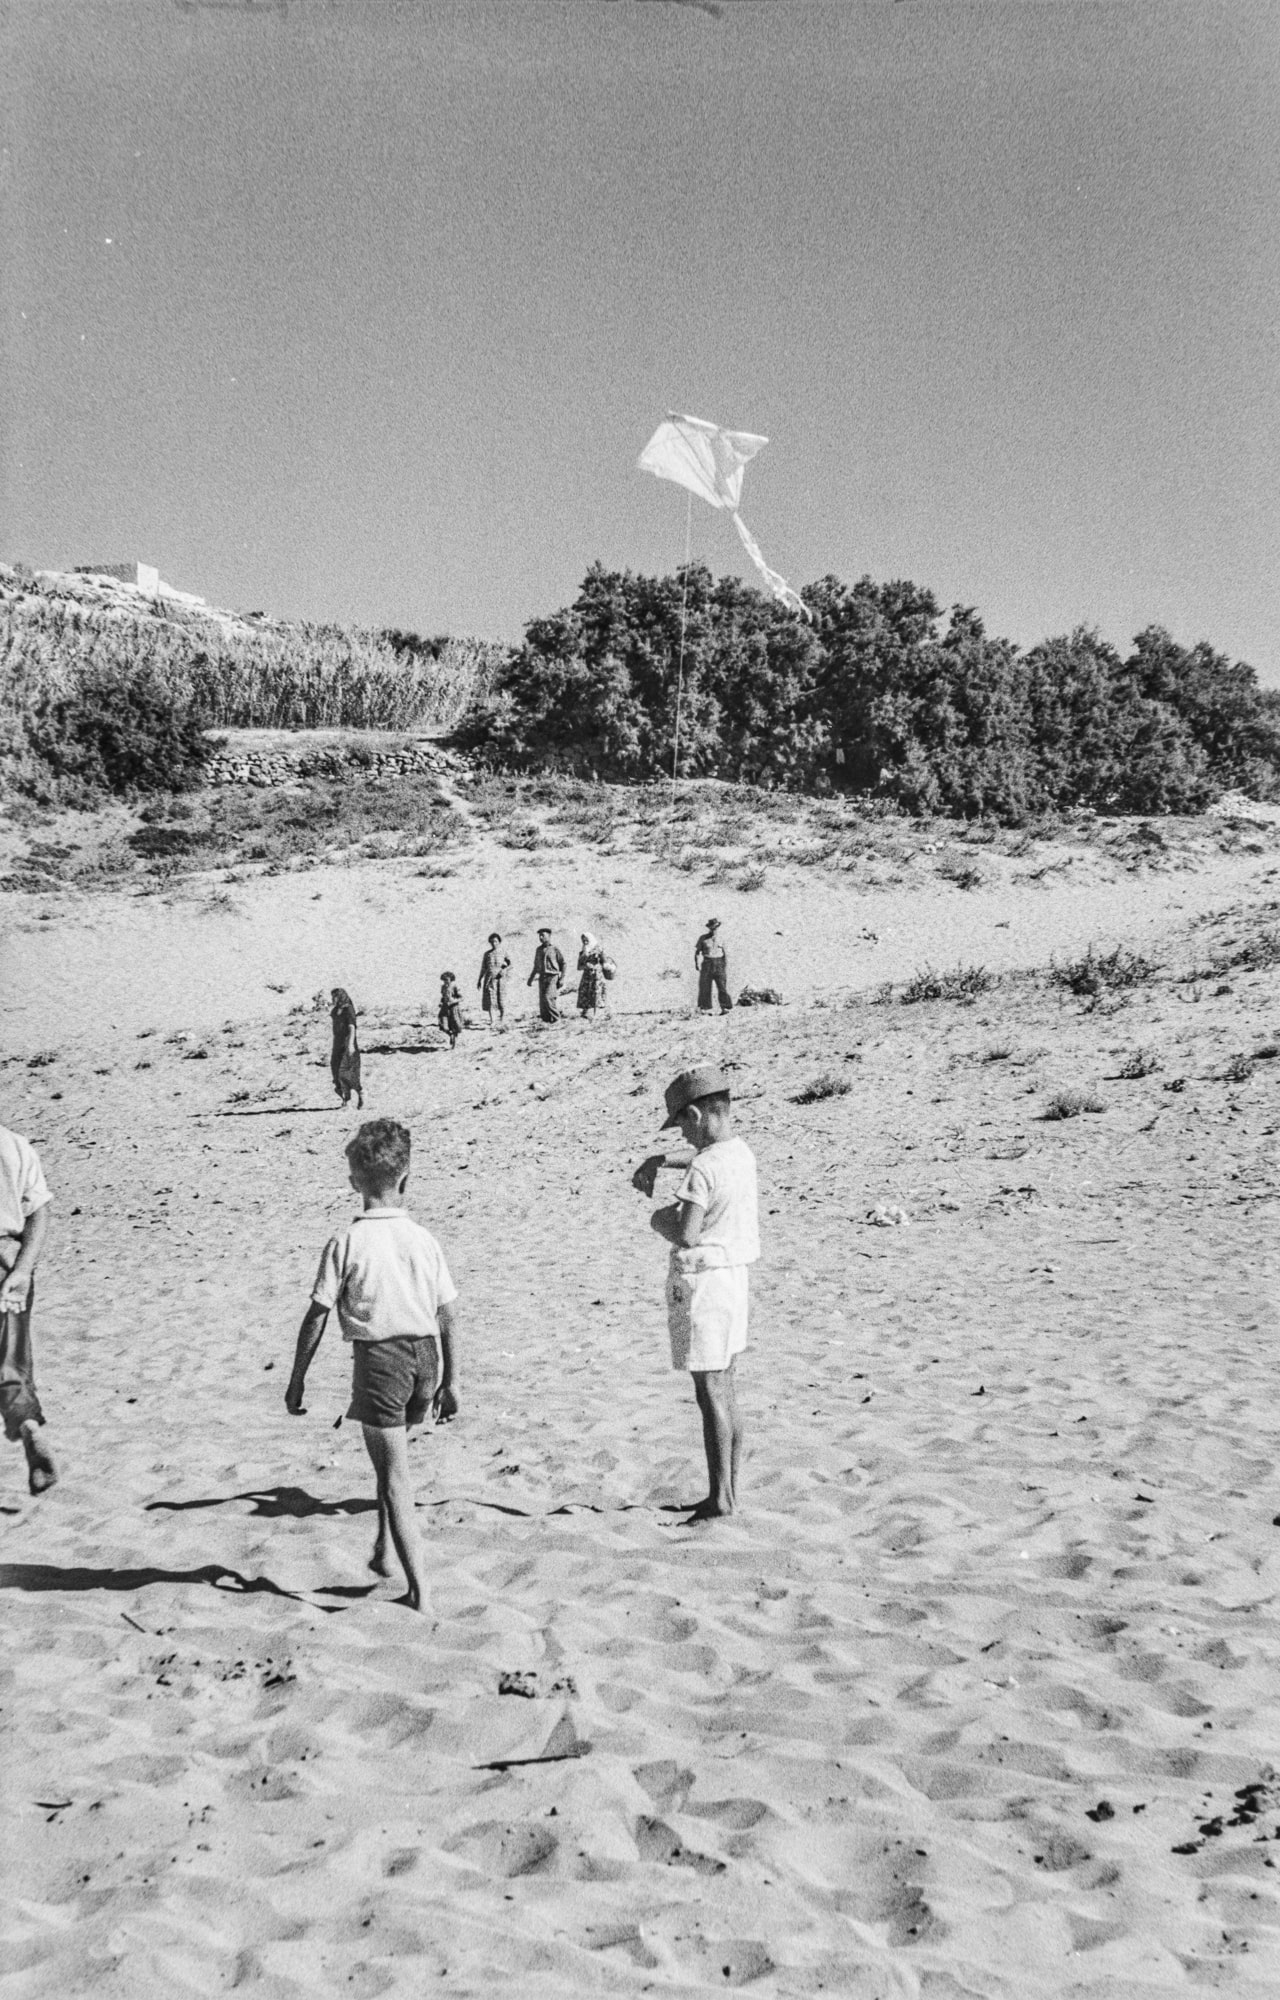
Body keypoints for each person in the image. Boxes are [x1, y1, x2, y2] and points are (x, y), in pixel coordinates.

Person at [286, 1119, 460, 1613]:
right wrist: (453, 1382)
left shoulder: (347, 1241)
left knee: (395, 1476)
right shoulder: (423, 1239)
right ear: (406, 1179)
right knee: (392, 1461)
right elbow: (449, 1313)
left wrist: (297, 1379)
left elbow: (317, 1315)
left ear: (352, 1182)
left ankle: (420, 1591)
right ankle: (385, 1545)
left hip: (380, 1361)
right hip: (426, 1357)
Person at [632, 1063, 759, 1522]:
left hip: (703, 1280)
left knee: (708, 1392)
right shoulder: (739, 1152)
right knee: (727, 1386)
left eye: (682, 1123)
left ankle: (718, 1499)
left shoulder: (705, 1168)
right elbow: (707, 1160)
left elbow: (685, 1232)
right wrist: (661, 1159)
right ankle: (730, 1491)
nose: (682, 1135)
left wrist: (656, 1218)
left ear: (696, 1114)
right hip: (735, 1278)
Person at [0, 1124, 57, 1496]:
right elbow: (39, 1213)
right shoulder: (12, 1143)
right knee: (10, 1361)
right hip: (8, 1260)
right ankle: (28, 1427)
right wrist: (21, 1270)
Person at [330, 988, 363, 1109]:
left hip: (347, 1043)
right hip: (337, 1043)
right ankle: (344, 1098)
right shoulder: (335, 1010)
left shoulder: (348, 1009)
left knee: (347, 1071)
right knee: (336, 1069)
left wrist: (350, 1045)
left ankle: (355, 1096)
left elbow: (352, 1027)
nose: (333, 999)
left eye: (335, 997)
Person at [527, 927, 566, 1024]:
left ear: (549, 936)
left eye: (542, 935)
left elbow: (563, 963)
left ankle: (557, 1019)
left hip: (552, 977)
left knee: (549, 998)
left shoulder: (554, 949)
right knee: (543, 1001)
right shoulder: (538, 950)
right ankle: (547, 1021)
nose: (540, 937)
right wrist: (530, 979)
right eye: (539, 936)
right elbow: (536, 966)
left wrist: (562, 978)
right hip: (542, 978)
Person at [694, 918, 732, 1015]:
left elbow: (726, 953)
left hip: (719, 963)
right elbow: (697, 952)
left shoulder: (722, 938)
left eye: (715, 928)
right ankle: (705, 1008)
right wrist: (697, 964)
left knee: (722, 985)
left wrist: (725, 965)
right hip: (707, 962)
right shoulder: (703, 938)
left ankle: (725, 1007)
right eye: (712, 928)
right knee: (705, 986)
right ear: (709, 928)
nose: (713, 930)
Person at [477, 932, 511, 1030]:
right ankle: (493, 1021)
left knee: (501, 999)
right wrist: (479, 979)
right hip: (489, 979)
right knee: (491, 1001)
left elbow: (510, 964)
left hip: (501, 978)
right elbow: (483, 968)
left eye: (495, 941)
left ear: (499, 942)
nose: (494, 943)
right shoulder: (487, 954)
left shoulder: (504, 952)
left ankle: (502, 1019)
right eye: (491, 942)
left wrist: (504, 970)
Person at [576, 932, 608, 1019]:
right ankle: (585, 1012)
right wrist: (585, 965)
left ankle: (598, 1013)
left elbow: (605, 962)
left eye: (586, 940)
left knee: (597, 993)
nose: (585, 942)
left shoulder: (599, 949)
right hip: (587, 976)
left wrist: (597, 966)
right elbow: (579, 967)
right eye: (583, 941)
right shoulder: (582, 952)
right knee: (586, 992)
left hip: (597, 976)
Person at [438, 970, 465, 1050]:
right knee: (444, 1025)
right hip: (445, 1007)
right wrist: (441, 1002)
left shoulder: (455, 986)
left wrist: (454, 1001)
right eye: (444, 980)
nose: (445, 981)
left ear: (451, 979)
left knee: (455, 1026)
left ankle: (454, 1045)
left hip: (454, 1008)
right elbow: (443, 997)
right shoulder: (443, 987)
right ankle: (451, 1035)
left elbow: (461, 997)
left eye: (447, 979)